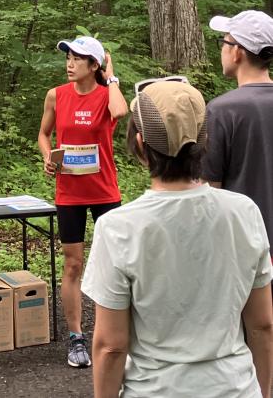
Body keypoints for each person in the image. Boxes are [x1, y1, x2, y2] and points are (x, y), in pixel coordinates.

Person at [82, 79, 273, 398]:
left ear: (140, 144)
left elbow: (111, 347)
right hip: (236, 389)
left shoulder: (118, 227)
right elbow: (262, 325)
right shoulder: (244, 212)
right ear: (204, 142)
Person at [38, 35, 128, 369]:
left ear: (94, 65)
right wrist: (48, 157)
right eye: (68, 58)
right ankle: (76, 336)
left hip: (104, 192)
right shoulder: (56, 95)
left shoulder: (106, 96)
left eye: (77, 59)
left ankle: (116, 333)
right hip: (69, 194)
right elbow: (44, 134)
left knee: (114, 265)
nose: (70, 64)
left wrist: (111, 78)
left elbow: (120, 111)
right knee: (73, 264)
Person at [203, 9, 273, 256]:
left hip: (243, 245)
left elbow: (210, 189)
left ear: (237, 52)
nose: (222, 49)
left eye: (223, 42)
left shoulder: (222, 110)